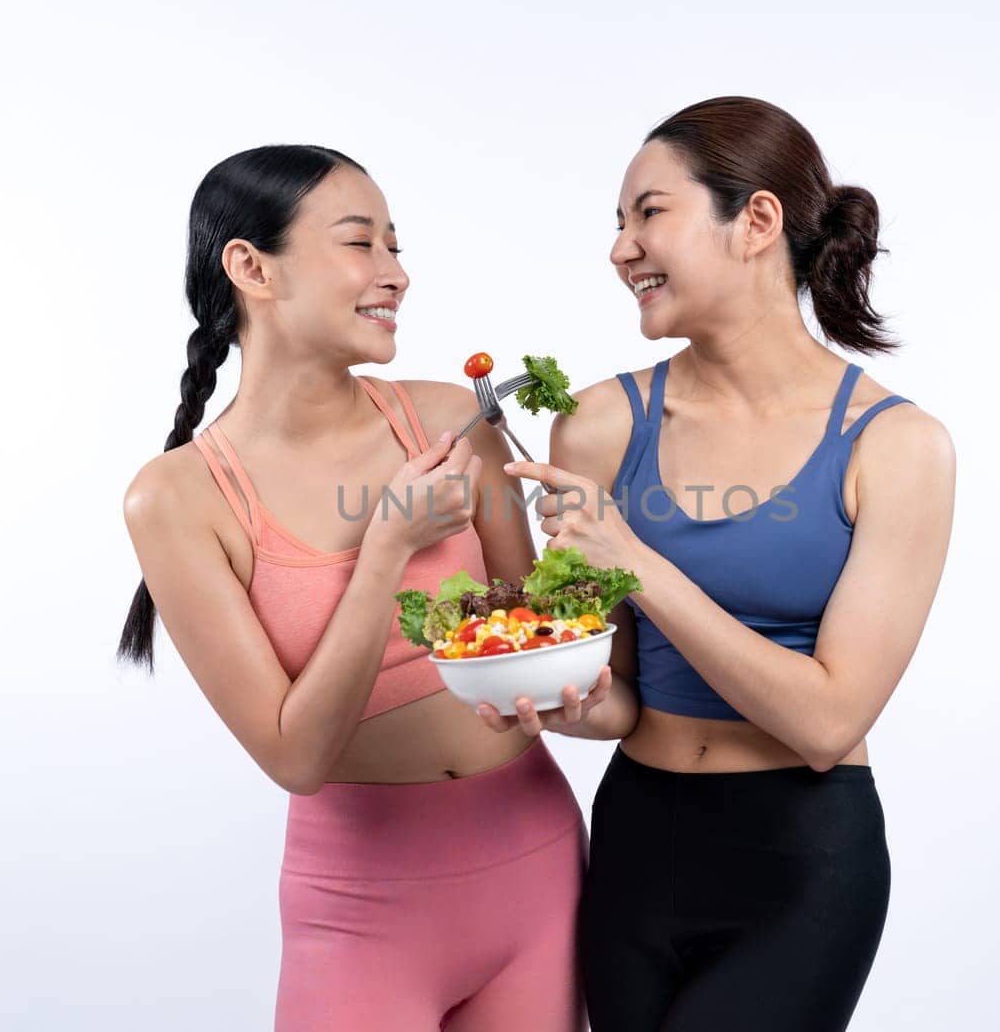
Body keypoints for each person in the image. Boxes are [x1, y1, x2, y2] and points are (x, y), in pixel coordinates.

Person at [491, 97, 957, 1031]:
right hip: (636, 844)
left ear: (757, 221)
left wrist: (639, 561)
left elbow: (827, 720)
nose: (621, 248)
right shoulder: (596, 424)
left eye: (648, 213)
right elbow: (619, 691)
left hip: (801, 863)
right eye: (618, 223)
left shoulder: (896, 446)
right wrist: (562, 701)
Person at [117, 144, 602, 1031]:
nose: (397, 273)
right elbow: (292, 757)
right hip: (361, 909)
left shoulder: (454, 420)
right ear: (251, 267)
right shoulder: (179, 498)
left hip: (538, 865)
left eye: (395, 244)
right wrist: (386, 550)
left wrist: (582, 586)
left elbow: (541, 633)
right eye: (361, 244)